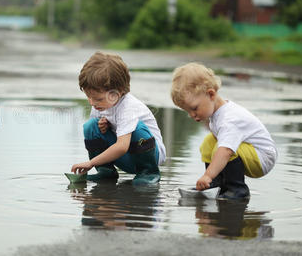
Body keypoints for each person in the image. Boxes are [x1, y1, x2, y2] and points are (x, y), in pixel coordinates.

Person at [171, 62, 277, 199]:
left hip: (263, 158)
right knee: (209, 142)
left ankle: (237, 189)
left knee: (223, 149)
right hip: (249, 152)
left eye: (194, 108)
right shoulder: (216, 113)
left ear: (211, 95)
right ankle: (215, 185)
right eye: (188, 111)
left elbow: (226, 151)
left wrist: (207, 175)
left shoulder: (229, 119)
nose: (192, 115)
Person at [71, 52, 166, 185]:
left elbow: (121, 147)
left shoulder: (129, 106)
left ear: (118, 93)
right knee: (91, 126)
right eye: (89, 97)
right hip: (126, 157)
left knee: (137, 128)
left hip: (149, 156)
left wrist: (91, 163)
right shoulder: (100, 105)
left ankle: (148, 172)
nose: (92, 103)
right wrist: (104, 125)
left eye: (97, 99)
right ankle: (105, 171)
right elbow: (99, 133)